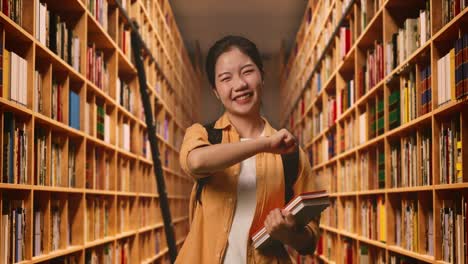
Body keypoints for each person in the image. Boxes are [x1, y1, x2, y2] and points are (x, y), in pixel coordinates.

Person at [176, 35, 320, 264]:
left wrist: (289, 233)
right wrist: (264, 144)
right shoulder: (202, 135)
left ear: (262, 75)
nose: (239, 85)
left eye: (247, 71)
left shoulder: (291, 155)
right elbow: (196, 162)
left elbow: (310, 241)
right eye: (225, 78)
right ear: (215, 91)